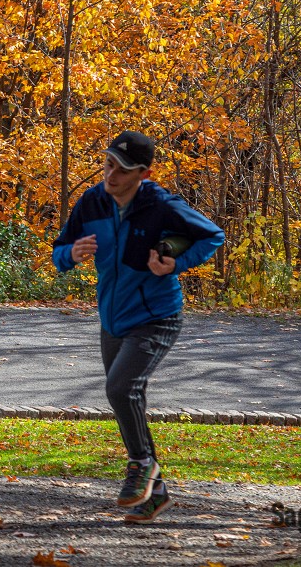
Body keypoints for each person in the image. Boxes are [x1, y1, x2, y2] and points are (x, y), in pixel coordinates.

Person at [52, 130, 224, 523]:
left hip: (157, 317)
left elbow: (212, 236)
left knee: (119, 387)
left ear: (143, 173)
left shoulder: (161, 205)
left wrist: (175, 263)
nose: (110, 173)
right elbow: (59, 250)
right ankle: (155, 494)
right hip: (112, 320)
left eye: (122, 168)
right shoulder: (92, 201)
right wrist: (71, 253)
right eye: (108, 162)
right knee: (127, 397)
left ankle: (141, 464)